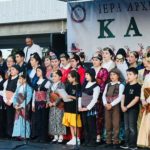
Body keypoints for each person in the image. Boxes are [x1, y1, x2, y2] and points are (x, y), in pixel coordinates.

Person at [102, 68, 124, 148]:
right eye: (111, 74)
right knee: (108, 123)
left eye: (114, 74)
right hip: (107, 106)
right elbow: (104, 95)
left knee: (116, 124)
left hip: (115, 106)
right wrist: (105, 103)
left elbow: (120, 97)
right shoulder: (108, 84)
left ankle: (116, 141)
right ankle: (108, 141)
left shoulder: (120, 85)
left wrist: (111, 104)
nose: (112, 76)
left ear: (118, 75)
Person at [120, 68, 141, 150]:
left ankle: (133, 144)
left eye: (130, 74)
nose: (128, 76)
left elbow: (136, 99)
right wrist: (122, 106)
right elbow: (123, 96)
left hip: (133, 109)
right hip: (125, 108)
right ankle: (127, 143)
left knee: (132, 127)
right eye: (127, 74)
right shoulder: (127, 85)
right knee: (126, 127)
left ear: (136, 76)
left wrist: (127, 107)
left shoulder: (138, 86)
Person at [79, 69, 100, 147]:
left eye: (87, 74)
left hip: (90, 109)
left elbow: (94, 99)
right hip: (83, 107)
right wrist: (79, 106)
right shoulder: (84, 84)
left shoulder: (96, 86)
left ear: (92, 75)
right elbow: (80, 96)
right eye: (85, 74)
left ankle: (92, 140)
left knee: (91, 124)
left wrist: (87, 108)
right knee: (85, 124)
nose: (86, 76)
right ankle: (87, 139)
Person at [91, 53, 109, 143]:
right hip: (90, 95)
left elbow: (103, 83)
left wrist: (94, 82)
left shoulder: (104, 70)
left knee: (99, 116)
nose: (94, 61)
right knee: (91, 115)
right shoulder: (90, 70)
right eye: (93, 59)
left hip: (100, 95)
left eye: (96, 60)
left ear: (101, 61)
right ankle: (91, 134)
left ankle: (99, 135)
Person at [62, 70, 82, 146]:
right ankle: (73, 137)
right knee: (70, 123)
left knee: (75, 123)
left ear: (74, 78)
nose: (68, 78)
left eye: (70, 77)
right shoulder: (68, 85)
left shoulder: (78, 86)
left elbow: (79, 97)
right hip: (68, 106)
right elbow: (65, 94)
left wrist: (71, 97)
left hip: (74, 107)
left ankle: (77, 138)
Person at [32, 66, 50, 142]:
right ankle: (38, 136)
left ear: (42, 71)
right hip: (37, 102)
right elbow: (34, 93)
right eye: (37, 71)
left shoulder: (47, 82)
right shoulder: (36, 82)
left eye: (39, 71)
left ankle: (44, 137)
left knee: (43, 119)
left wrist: (48, 102)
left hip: (43, 103)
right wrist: (33, 103)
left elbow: (49, 93)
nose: (37, 72)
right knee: (38, 119)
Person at [12, 72, 32, 139]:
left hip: (24, 106)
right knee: (18, 119)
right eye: (19, 79)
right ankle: (18, 134)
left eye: (21, 78)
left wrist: (22, 105)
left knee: (24, 120)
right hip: (18, 105)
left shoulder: (28, 88)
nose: (19, 80)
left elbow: (28, 98)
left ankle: (25, 135)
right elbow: (15, 96)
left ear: (25, 79)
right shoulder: (19, 87)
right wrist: (15, 104)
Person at [48, 70, 66, 143]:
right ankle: (55, 135)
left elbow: (61, 95)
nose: (54, 77)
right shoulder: (51, 85)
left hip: (59, 105)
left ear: (60, 77)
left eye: (55, 76)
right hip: (51, 104)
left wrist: (55, 102)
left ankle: (61, 135)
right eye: (53, 76)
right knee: (53, 120)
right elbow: (47, 94)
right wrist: (49, 102)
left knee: (59, 119)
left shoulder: (61, 84)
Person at [3, 65, 20, 138]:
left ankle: (15, 134)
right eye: (11, 70)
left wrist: (11, 100)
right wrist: (6, 100)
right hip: (7, 101)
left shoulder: (18, 80)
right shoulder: (8, 80)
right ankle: (9, 133)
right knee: (8, 118)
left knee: (15, 118)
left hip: (14, 102)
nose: (11, 71)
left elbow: (17, 92)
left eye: (13, 69)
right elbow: (4, 91)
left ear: (17, 71)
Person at [137, 72, 150, 148]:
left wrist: (148, 101)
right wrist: (143, 100)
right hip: (146, 102)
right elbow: (142, 89)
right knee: (146, 122)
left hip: (148, 101)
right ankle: (146, 142)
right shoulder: (147, 75)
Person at [0, 68, 6, 137]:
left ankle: (2, 133)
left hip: (1, 100)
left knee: (1, 116)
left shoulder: (4, 82)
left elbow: (4, 91)